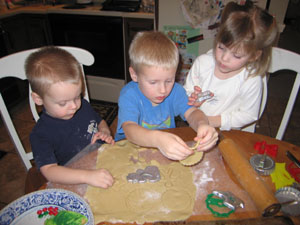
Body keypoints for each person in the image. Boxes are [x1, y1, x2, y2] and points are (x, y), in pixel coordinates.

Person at [115, 31, 218, 161]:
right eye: (153, 82)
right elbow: (129, 129)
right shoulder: (129, 95)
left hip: (163, 149)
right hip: (128, 151)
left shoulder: (175, 91)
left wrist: (202, 124)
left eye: (169, 81)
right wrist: (157, 139)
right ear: (134, 75)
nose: (163, 90)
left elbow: (192, 113)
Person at [25, 46, 115, 188]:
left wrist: (104, 132)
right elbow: (49, 171)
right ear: (38, 99)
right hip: (73, 178)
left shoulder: (83, 106)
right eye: (63, 103)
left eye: (77, 97)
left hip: (100, 163)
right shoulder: (41, 134)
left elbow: (100, 121)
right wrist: (87, 176)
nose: (74, 106)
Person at [184, 1, 278, 130]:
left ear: (253, 56)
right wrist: (191, 98)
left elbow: (249, 115)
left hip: (227, 132)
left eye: (236, 56)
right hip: (195, 126)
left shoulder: (250, 80)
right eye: (221, 47)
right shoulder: (202, 63)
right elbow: (187, 91)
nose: (224, 58)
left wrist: (212, 121)